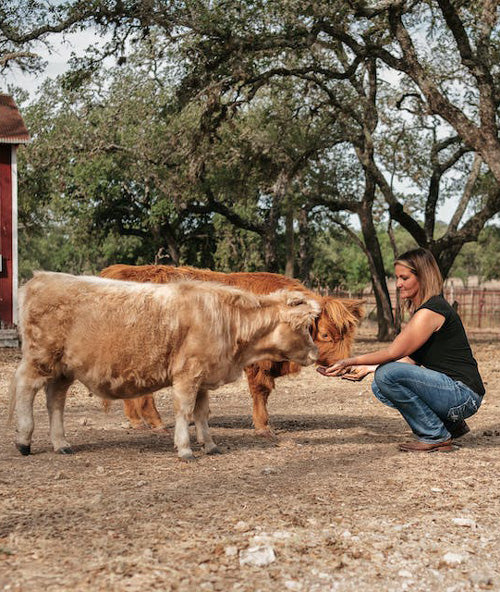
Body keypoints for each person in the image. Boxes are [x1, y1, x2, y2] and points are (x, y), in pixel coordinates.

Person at [320, 247, 485, 453]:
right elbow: (410, 360)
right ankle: (451, 426)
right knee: (380, 385)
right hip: (455, 395)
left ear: (423, 277)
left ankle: (435, 435)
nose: (398, 284)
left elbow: (393, 352)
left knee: (387, 374)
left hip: (462, 396)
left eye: (404, 278)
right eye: (397, 278)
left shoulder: (430, 311)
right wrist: (366, 368)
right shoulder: (426, 310)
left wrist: (349, 361)